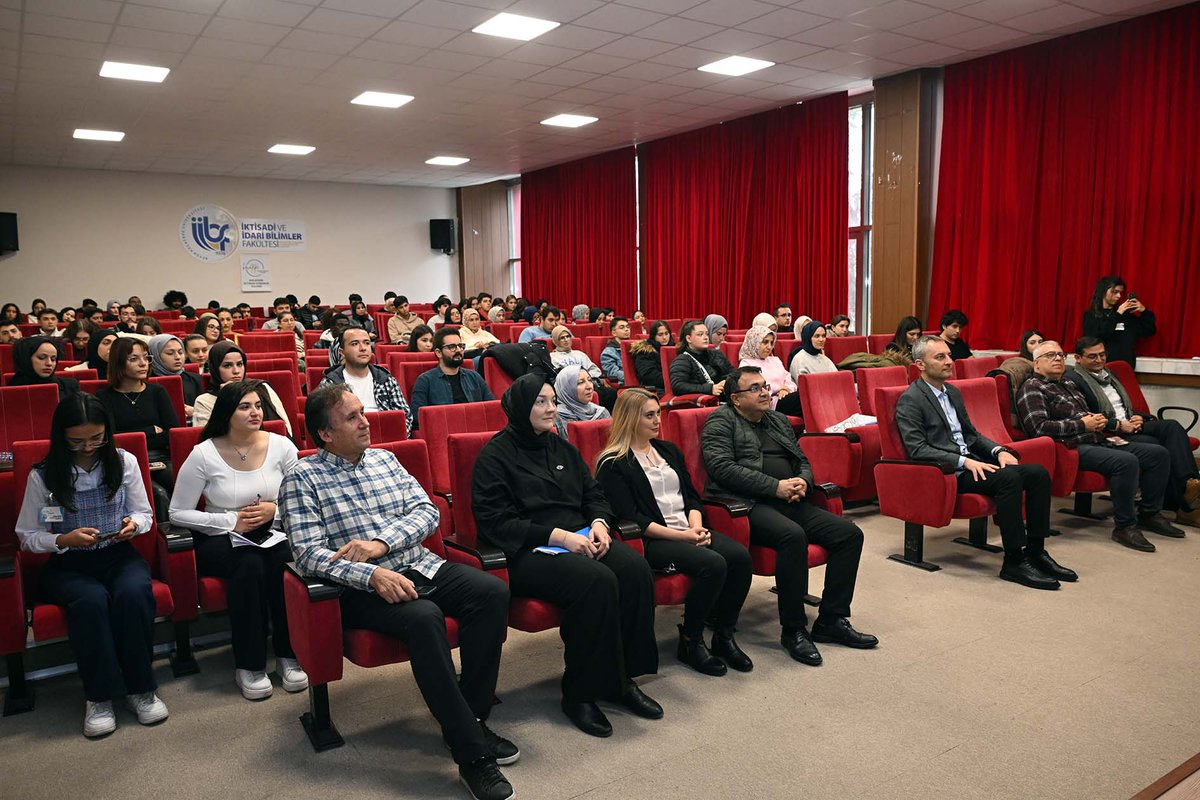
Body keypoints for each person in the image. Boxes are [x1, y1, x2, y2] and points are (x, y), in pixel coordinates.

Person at [282, 385, 518, 800]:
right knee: (424, 616)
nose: (365, 421)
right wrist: (369, 572)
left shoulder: (385, 460)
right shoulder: (302, 478)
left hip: (417, 564)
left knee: (490, 592)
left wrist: (382, 545)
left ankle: (469, 715)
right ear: (325, 434)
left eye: (362, 412)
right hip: (359, 589)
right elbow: (307, 554)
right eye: (351, 417)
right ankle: (473, 755)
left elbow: (428, 512)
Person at [472, 375, 661, 738]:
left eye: (552, 401)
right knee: (597, 580)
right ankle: (579, 693)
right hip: (527, 551)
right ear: (519, 408)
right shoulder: (495, 456)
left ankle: (620, 679)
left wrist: (600, 524)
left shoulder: (561, 447)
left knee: (634, 568)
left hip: (581, 537)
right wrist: (557, 536)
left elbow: (593, 493)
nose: (551, 409)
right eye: (540, 402)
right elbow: (496, 522)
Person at [15, 393, 168, 738]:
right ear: (61, 437)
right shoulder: (44, 475)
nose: (88, 447)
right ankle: (98, 696)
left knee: (133, 593)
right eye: (77, 441)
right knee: (91, 601)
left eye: (96, 438)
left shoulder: (122, 462)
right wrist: (63, 540)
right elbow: (28, 534)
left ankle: (141, 688)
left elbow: (145, 514)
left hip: (117, 554)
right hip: (69, 563)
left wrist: (134, 526)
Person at [703, 366, 877, 664]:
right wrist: (775, 487)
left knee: (849, 534)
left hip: (790, 499)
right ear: (735, 398)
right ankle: (793, 629)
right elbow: (722, 468)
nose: (764, 392)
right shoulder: (720, 422)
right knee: (792, 536)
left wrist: (803, 482)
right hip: (747, 505)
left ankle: (831, 620)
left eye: (764, 386)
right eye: (755, 388)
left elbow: (802, 459)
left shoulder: (777, 420)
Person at [594, 388, 752, 675]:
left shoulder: (667, 450)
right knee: (713, 564)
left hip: (689, 528)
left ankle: (724, 635)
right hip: (654, 540)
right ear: (630, 419)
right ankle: (691, 640)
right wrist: (684, 537)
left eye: (658, 414)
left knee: (740, 557)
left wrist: (695, 526)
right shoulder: (613, 463)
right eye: (649, 415)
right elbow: (633, 518)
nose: (658, 421)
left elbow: (691, 496)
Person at [897, 336, 1074, 589]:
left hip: (974, 462)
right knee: (1009, 478)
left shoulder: (953, 393)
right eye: (940, 357)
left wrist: (998, 451)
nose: (949, 361)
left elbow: (971, 435)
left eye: (948, 355)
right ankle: (1013, 561)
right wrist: (963, 462)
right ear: (920, 364)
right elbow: (917, 449)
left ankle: (1036, 551)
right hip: (948, 472)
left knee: (1037, 474)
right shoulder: (911, 399)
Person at [170, 380, 307, 701]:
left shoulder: (282, 445)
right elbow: (177, 513)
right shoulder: (204, 454)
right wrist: (230, 520)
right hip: (222, 537)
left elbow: (302, 495)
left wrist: (274, 509)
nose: (255, 412)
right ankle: (250, 664)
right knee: (248, 567)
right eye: (244, 407)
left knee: (283, 563)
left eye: (258, 405)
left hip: (275, 530)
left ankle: (289, 655)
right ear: (226, 413)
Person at [1016, 341, 1179, 552]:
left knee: (1158, 454)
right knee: (1126, 461)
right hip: (1070, 448)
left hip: (1097, 438)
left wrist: (1096, 420)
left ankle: (1149, 513)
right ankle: (1124, 526)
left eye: (1060, 355)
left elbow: (1084, 416)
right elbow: (1038, 428)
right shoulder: (1032, 387)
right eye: (1050, 355)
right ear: (1037, 364)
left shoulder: (1069, 384)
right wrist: (1082, 424)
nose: (1057, 358)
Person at [1065, 337, 1200, 528]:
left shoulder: (1108, 373)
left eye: (1102, 354)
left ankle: (1189, 485)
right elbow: (1087, 416)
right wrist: (1119, 425)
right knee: (1158, 447)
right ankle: (1185, 503)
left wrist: (1141, 419)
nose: (1099, 360)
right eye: (1092, 356)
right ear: (1078, 358)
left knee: (1171, 426)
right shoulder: (1074, 379)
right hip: (1110, 431)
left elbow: (1122, 406)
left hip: (1130, 422)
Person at [319, 326, 413, 437]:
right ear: (342, 352)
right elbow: (326, 424)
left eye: (367, 343)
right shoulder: (330, 384)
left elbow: (405, 417)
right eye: (354, 344)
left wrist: (395, 437)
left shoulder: (385, 379)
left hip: (386, 439)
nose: (363, 348)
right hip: (348, 445)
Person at [96, 338, 179, 463]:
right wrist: (150, 430)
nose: (143, 363)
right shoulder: (104, 396)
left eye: (146, 358)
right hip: (123, 460)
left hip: (160, 458)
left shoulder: (157, 391)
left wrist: (131, 437)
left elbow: (172, 434)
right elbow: (112, 438)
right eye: (134, 359)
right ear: (118, 362)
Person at [192, 342, 291, 436]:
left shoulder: (261, 388)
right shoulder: (204, 401)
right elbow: (209, 441)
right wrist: (227, 397)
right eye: (228, 365)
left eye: (239, 364)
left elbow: (285, 427)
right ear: (215, 369)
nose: (236, 371)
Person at [409, 328, 495, 430]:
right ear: (438, 353)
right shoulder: (425, 380)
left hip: (475, 429)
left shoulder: (474, 376)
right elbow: (417, 416)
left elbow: (492, 407)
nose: (458, 350)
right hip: (444, 431)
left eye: (460, 346)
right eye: (452, 347)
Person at [1082, 275, 1155, 369]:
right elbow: (1097, 336)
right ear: (1103, 292)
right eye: (1115, 292)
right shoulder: (1091, 315)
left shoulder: (1125, 315)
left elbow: (1149, 331)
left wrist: (1144, 312)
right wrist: (1118, 314)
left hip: (1124, 368)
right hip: (1100, 368)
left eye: (1120, 292)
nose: (1119, 296)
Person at [738, 326, 800, 415]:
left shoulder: (775, 360)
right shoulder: (746, 363)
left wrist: (786, 390)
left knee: (808, 399)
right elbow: (754, 389)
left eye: (771, 343)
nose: (769, 347)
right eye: (765, 342)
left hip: (785, 397)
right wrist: (779, 388)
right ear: (754, 342)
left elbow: (788, 379)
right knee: (804, 398)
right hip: (768, 403)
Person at [669, 319, 732, 397]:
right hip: (704, 403)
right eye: (700, 334)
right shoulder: (682, 360)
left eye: (707, 334)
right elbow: (678, 386)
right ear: (689, 338)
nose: (706, 338)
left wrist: (726, 382)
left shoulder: (716, 354)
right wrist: (709, 389)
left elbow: (733, 373)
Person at [147, 334, 203, 422]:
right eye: (170, 353)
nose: (177, 357)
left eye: (180, 352)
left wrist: (195, 411)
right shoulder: (146, 383)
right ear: (156, 355)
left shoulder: (196, 379)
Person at [552, 365, 610, 439]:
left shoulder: (601, 413)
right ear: (566, 389)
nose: (589, 387)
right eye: (580, 382)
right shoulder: (555, 417)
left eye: (589, 380)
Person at [8, 335, 79, 396]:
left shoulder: (69, 387)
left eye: (53, 359)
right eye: (41, 358)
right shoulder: (11, 390)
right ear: (26, 359)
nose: (49, 363)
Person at [630, 320, 672, 393]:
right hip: (655, 388)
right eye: (660, 335)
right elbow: (649, 377)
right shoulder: (645, 351)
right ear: (653, 336)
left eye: (666, 333)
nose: (665, 337)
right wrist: (675, 380)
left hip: (674, 384)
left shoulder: (674, 347)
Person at [600, 317, 630, 384]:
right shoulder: (608, 353)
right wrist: (633, 377)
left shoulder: (635, 347)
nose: (626, 329)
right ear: (614, 333)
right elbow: (613, 373)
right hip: (624, 384)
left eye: (628, 327)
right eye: (622, 327)